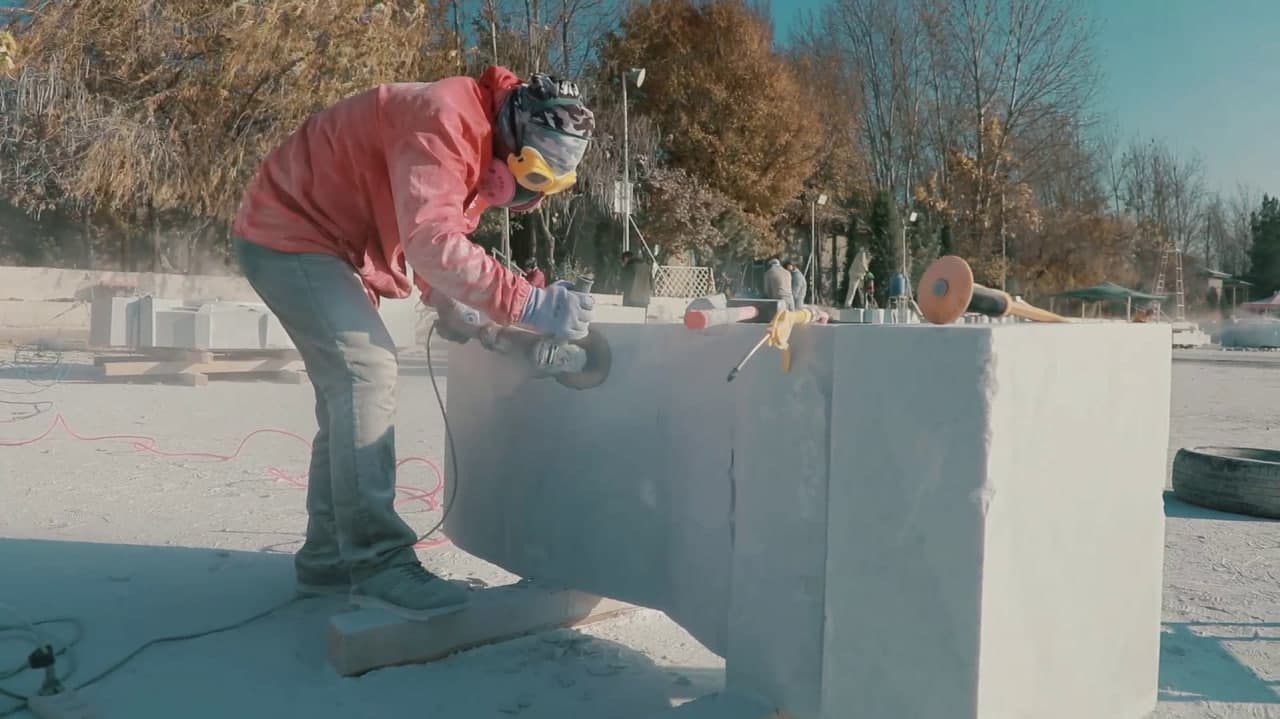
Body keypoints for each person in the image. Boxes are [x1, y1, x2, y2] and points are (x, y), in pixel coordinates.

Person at [231, 66, 596, 620]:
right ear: (516, 133)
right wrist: (529, 304)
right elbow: (431, 242)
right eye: (537, 174)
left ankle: (328, 561)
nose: (529, 194)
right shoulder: (449, 119)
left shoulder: (479, 139)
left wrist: (465, 309)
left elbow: (427, 239)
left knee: (348, 395)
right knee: (367, 372)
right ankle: (379, 562)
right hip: (291, 231)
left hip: (330, 241)